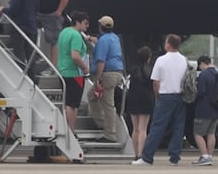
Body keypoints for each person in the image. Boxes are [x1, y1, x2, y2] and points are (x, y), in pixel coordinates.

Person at [134, 33, 190, 166]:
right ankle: (174, 157)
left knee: (157, 127)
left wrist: (157, 95)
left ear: (168, 44)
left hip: (165, 96)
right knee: (178, 127)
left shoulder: (161, 60)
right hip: (180, 96)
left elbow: (155, 82)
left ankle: (147, 157)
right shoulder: (184, 60)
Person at [88, 16, 125, 146]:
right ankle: (102, 123)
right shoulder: (114, 38)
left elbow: (101, 60)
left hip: (107, 74)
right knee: (92, 96)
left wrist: (98, 78)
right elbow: (100, 40)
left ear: (100, 27)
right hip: (117, 73)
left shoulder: (103, 41)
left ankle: (109, 133)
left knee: (108, 104)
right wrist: (90, 39)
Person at [54, 11, 90, 136]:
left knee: (67, 102)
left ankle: (67, 127)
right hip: (75, 73)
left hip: (62, 70)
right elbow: (75, 56)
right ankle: (71, 130)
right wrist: (85, 67)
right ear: (78, 22)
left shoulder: (64, 32)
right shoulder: (75, 35)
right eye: (85, 23)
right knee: (72, 104)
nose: (87, 26)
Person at [125, 46, 157, 162]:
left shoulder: (132, 70)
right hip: (146, 99)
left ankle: (135, 154)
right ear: (148, 58)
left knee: (135, 128)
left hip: (133, 98)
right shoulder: (151, 70)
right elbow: (153, 84)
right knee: (143, 128)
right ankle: (141, 154)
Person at [190, 55, 218, 166]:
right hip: (216, 109)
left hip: (204, 109)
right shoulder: (217, 74)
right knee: (211, 133)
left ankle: (204, 156)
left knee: (197, 133)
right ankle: (210, 155)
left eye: (200, 66)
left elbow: (201, 92)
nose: (200, 68)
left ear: (203, 63)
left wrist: (193, 97)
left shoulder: (204, 75)